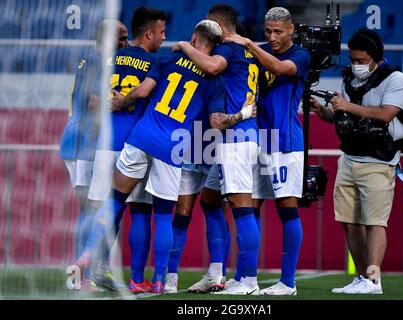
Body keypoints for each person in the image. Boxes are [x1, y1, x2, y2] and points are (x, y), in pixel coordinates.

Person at [77, 19, 255, 294]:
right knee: (161, 216)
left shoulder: (167, 58)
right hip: (172, 149)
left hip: (141, 136)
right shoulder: (215, 79)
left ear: (195, 38)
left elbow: (143, 91)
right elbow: (218, 122)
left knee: (114, 201)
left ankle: (87, 254)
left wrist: (119, 102)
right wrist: (243, 114)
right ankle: (159, 280)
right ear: (216, 45)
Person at [69, 6, 167, 293]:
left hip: (104, 143)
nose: (164, 38)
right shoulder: (154, 62)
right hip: (134, 144)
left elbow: (90, 97)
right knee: (139, 211)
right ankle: (136, 279)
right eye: (161, 32)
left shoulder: (105, 59)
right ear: (148, 33)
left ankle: (84, 266)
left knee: (99, 208)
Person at [310, 28, 403, 294]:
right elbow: (339, 116)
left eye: (361, 60)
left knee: (375, 221)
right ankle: (362, 278)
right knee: (349, 221)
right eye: (353, 60)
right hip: (349, 157)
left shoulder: (396, 80)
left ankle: (374, 280)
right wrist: (323, 111)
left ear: (376, 57)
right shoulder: (348, 80)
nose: (356, 66)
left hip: (379, 161)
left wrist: (346, 106)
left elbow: (386, 114)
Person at [174, 4, 262, 295]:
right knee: (210, 201)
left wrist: (185, 46)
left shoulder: (229, 49)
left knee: (241, 207)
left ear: (214, 23)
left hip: (237, 137)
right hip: (233, 138)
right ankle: (216, 274)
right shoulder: (249, 53)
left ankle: (248, 279)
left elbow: (211, 66)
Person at [225, 6, 310, 296]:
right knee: (252, 206)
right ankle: (244, 278)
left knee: (287, 208)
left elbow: (278, 68)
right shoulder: (258, 51)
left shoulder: (301, 55)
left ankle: (288, 283)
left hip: (285, 142)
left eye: (278, 31)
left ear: (292, 30)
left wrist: (248, 43)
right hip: (257, 139)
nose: (272, 37)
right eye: (268, 32)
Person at [60, 19, 129, 292]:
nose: (125, 44)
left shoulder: (92, 58)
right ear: (109, 39)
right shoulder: (96, 60)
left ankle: (89, 269)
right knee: (90, 208)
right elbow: (92, 101)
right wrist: (126, 100)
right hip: (82, 143)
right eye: (121, 39)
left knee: (92, 208)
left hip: (83, 142)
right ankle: (79, 275)